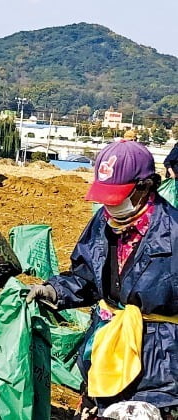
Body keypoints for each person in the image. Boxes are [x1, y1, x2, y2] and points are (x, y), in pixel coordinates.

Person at [26, 140, 178, 419]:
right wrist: (55, 290)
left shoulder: (174, 233)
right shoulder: (102, 221)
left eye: (118, 197)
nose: (111, 205)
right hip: (107, 349)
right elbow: (86, 276)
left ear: (145, 187)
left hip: (158, 362)